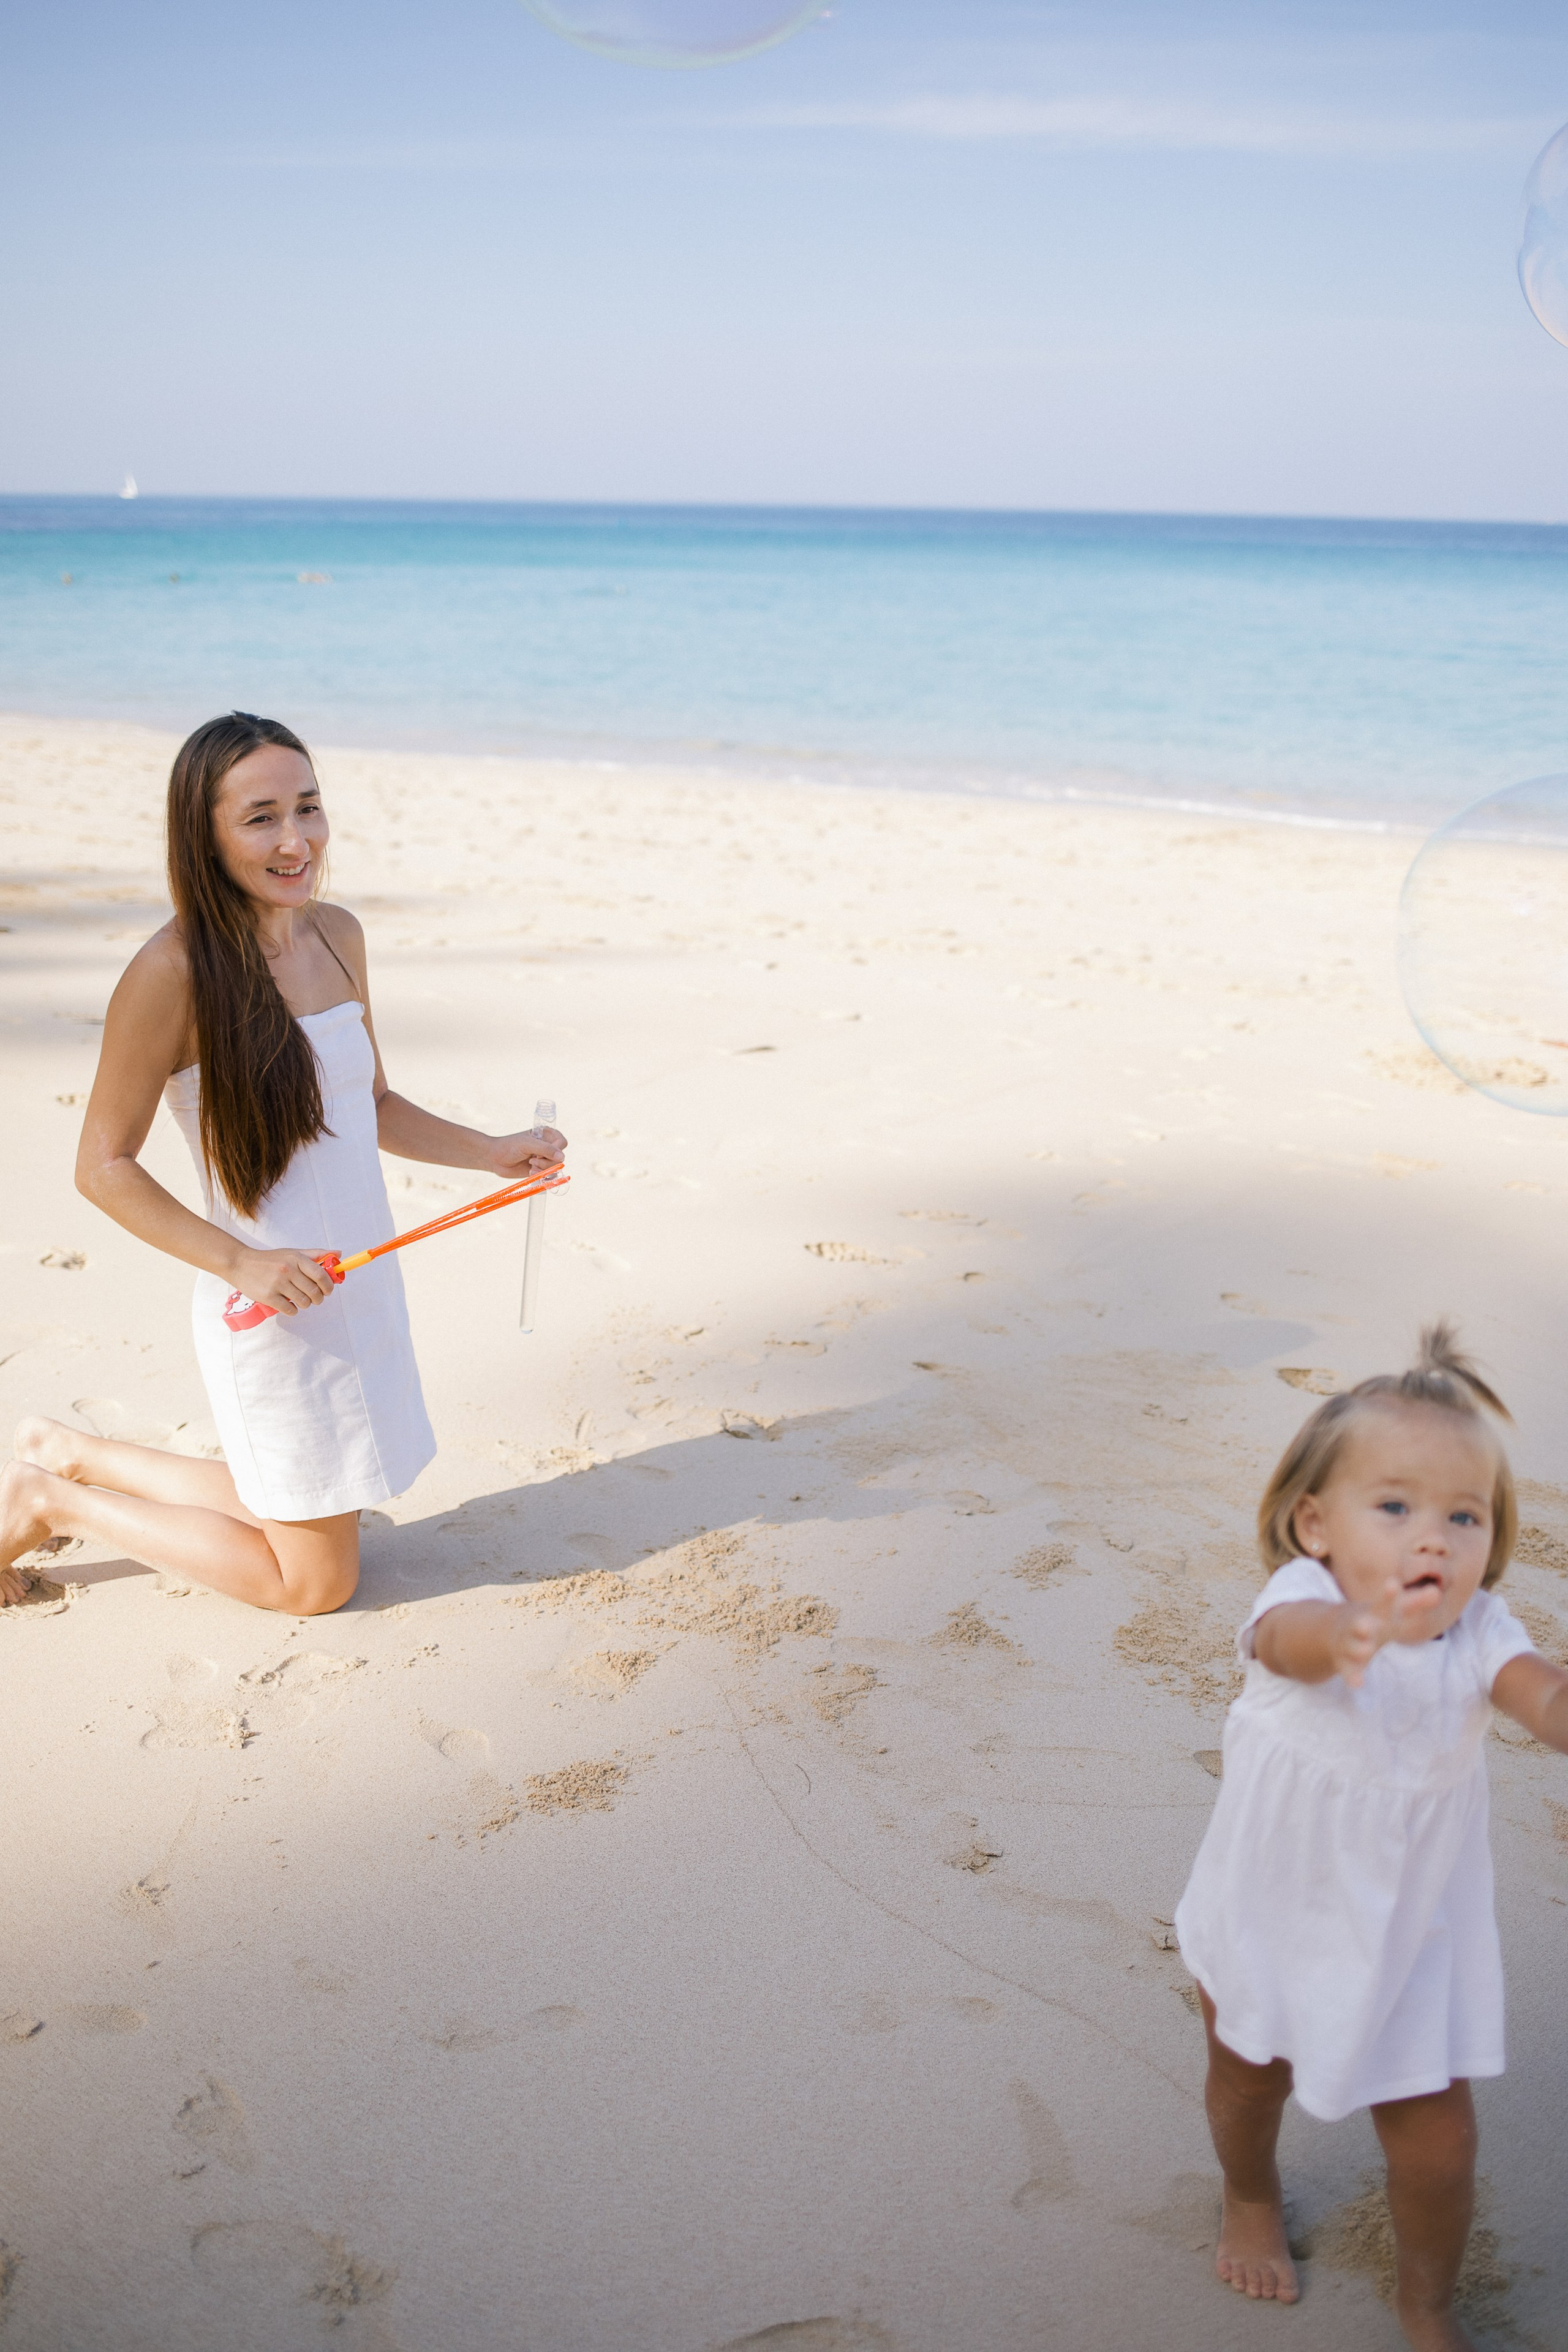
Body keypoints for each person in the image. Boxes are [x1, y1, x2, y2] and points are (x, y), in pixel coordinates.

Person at [0, 712, 564, 1616]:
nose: (296, 839)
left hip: (360, 1282)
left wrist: (492, 1154)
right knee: (314, 1582)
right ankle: (51, 1496)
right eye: (261, 816)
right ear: (206, 833)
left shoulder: (338, 935)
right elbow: (102, 1165)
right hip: (268, 1305)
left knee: (314, 1511)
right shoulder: (172, 971)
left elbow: (370, 1104)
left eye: (308, 807)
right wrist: (245, 1264)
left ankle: (71, 1453)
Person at [1174, 1324, 1568, 2350]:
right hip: (1272, 1905)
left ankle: (1426, 2304)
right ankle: (1250, 2194)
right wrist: (1352, 1635)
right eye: (1394, 1508)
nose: (1431, 1538)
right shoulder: (1304, 1602)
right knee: (1246, 2074)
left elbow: (1541, 1697)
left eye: (1463, 1516)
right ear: (1316, 1523)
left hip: (1410, 1939)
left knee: (1439, 2145)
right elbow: (1284, 1647)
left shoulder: (1481, 1630)